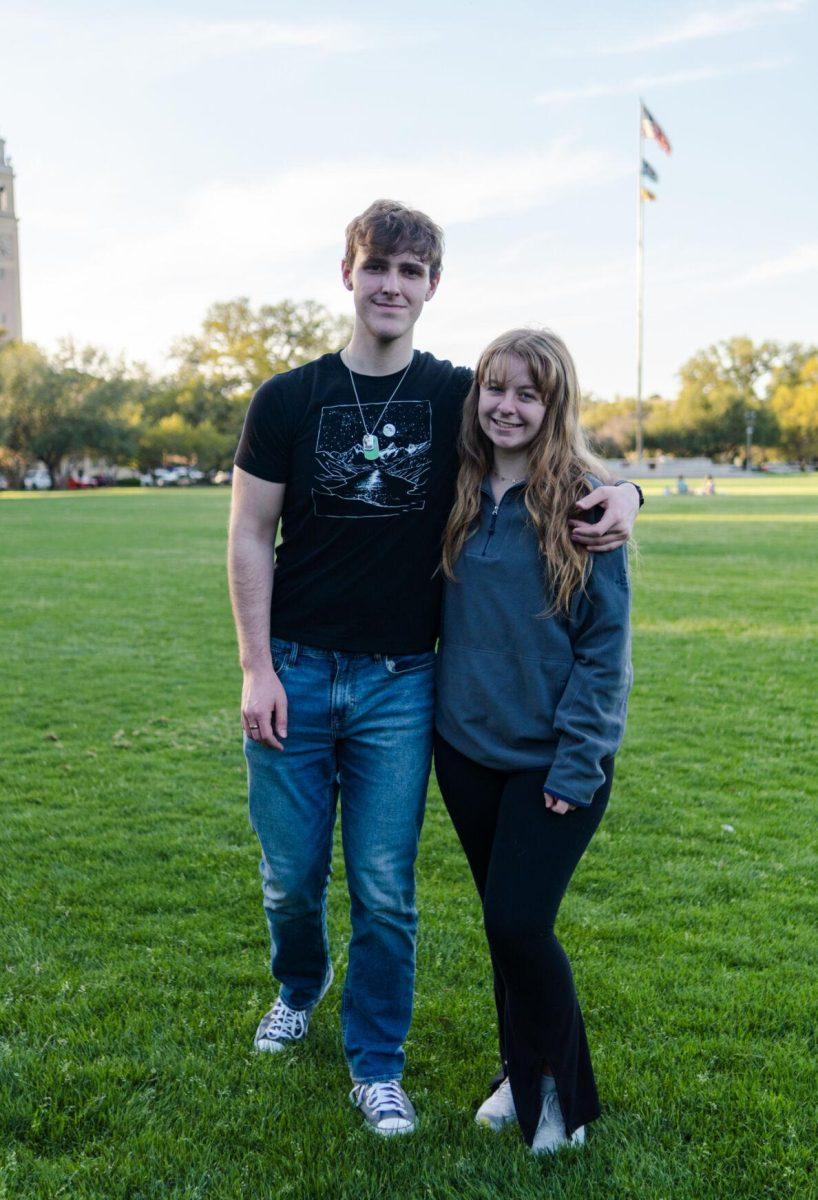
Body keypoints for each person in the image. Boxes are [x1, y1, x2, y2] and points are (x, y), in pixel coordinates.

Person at [227, 201, 642, 1137]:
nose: (391, 286)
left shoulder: (456, 391)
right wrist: (258, 667)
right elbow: (250, 533)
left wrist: (628, 491)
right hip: (293, 669)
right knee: (291, 877)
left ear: (431, 288)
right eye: (377, 267)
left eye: (411, 273)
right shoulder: (287, 400)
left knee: (383, 883)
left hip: (402, 685)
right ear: (348, 273)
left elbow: (547, 429)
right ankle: (300, 985)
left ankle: (378, 1065)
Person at [434, 328, 632, 1155]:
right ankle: (519, 1075)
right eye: (495, 389)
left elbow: (604, 648)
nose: (507, 406)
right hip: (466, 752)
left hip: (555, 761)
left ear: (554, 405)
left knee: (520, 924)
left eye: (528, 394)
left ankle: (563, 1101)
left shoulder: (584, 503)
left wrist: (577, 761)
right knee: (502, 928)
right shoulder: (457, 485)